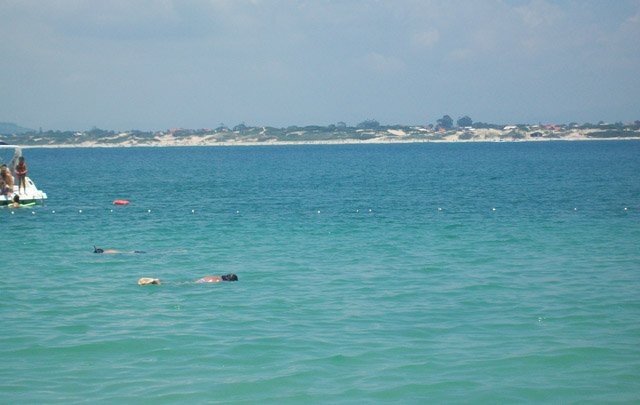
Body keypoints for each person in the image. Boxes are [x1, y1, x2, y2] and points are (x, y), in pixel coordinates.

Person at [138, 274, 238, 285]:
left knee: (174, 283)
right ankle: (157, 282)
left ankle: (158, 282)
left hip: (194, 282)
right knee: (173, 285)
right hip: (195, 285)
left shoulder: (217, 277)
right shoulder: (219, 282)